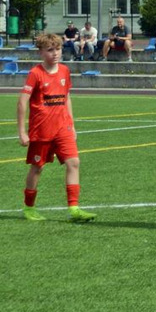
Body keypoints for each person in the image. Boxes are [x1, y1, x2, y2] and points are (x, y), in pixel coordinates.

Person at [16, 33, 97, 223]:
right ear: (41, 52)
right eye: (50, 50)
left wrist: (71, 124)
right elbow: (22, 102)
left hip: (63, 128)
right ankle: (29, 207)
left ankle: (74, 209)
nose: (55, 53)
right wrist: (22, 132)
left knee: (74, 162)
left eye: (58, 49)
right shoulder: (35, 73)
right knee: (37, 168)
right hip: (41, 130)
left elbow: (66, 97)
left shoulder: (64, 71)